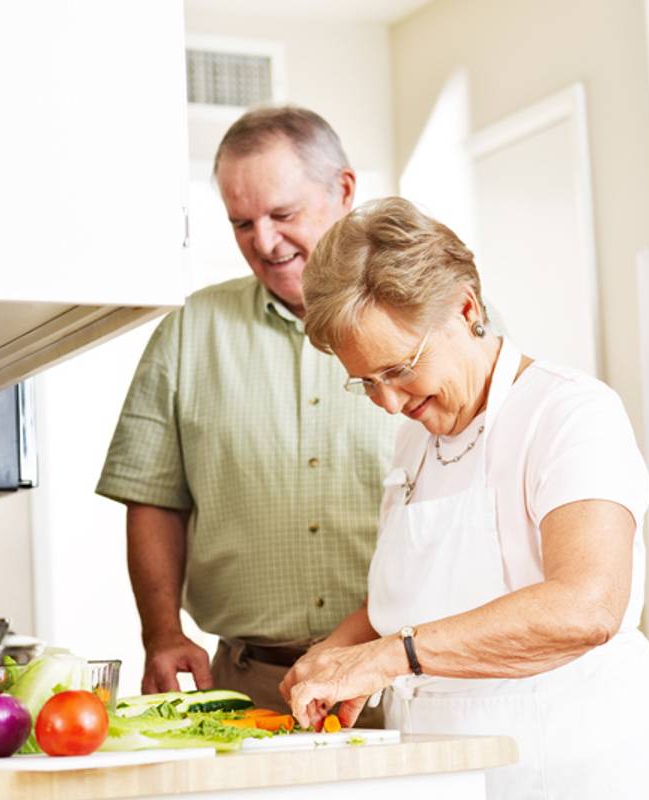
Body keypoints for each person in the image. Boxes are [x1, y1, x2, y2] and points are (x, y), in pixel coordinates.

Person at [280, 197, 649, 798]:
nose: (388, 403)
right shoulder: (416, 439)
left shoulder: (569, 412)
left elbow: (588, 605)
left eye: (399, 368)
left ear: (466, 308)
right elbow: (420, 596)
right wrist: (339, 653)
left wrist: (390, 657)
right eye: (365, 382)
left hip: (567, 764)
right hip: (448, 771)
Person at [96, 107, 401, 717]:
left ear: (343, 190)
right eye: (242, 223)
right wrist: (161, 631)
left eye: (283, 215)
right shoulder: (187, 330)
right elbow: (152, 495)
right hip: (249, 687)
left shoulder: (432, 319)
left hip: (399, 678)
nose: (263, 242)